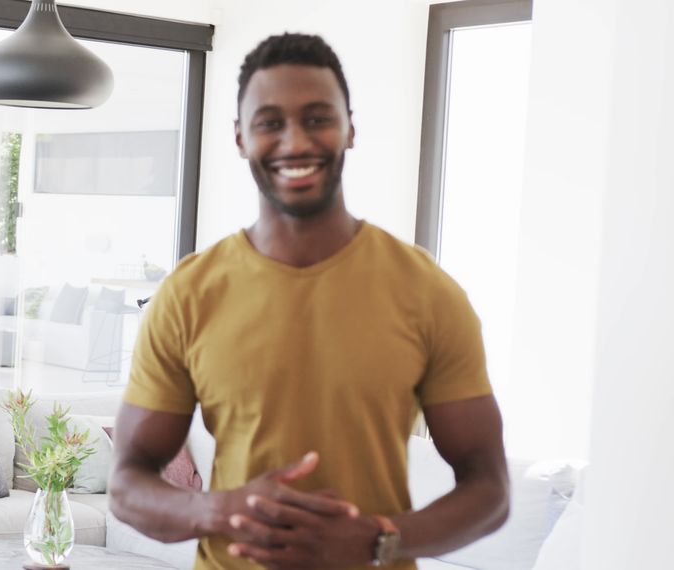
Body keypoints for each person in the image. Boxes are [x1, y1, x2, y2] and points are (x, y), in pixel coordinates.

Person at [109, 33, 509, 570]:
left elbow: (489, 488)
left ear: (350, 127)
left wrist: (378, 539)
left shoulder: (427, 293)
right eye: (270, 122)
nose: (295, 141)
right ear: (239, 137)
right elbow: (128, 485)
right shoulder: (188, 294)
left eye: (318, 118)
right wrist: (224, 509)